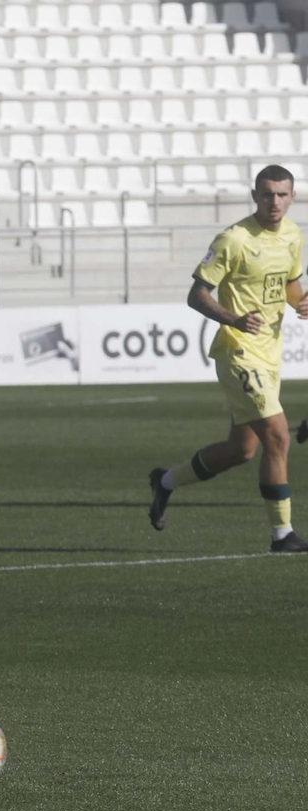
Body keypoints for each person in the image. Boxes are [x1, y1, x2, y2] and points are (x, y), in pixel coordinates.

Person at [148, 165, 308, 553]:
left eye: (282, 194)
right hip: (238, 352)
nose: (275, 202)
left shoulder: (292, 234)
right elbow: (197, 295)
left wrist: (301, 301)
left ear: (292, 197)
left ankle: (164, 482)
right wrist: (235, 318)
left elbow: (288, 283)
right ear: (255, 195)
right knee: (278, 435)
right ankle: (282, 535)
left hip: (270, 353)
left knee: (242, 451)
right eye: (267, 194)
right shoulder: (233, 239)